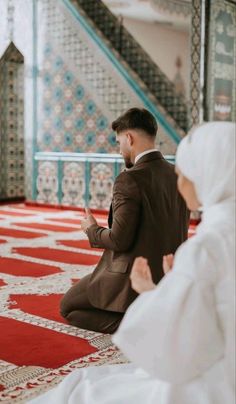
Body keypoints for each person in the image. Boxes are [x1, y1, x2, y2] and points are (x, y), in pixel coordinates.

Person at [30, 121, 235, 404]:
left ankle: (126, 314)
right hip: (170, 265)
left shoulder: (205, 249)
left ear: (208, 175)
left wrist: (151, 294)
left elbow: (180, 353)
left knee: (81, 385)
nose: (180, 182)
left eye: (186, 173)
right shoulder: (214, 235)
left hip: (212, 384)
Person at [60, 107, 189, 333]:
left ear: (129, 138)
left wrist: (91, 229)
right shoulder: (178, 173)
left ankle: (142, 324)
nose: (119, 150)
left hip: (133, 278)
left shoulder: (129, 179)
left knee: (68, 307)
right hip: (169, 276)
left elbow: (120, 240)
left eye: (119, 142)